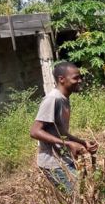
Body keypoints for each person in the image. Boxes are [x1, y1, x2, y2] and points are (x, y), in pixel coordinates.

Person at [30, 61, 98, 192]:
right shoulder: (53, 99)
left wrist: (82, 142)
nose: (80, 80)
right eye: (75, 78)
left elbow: (59, 132)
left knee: (77, 201)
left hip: (63, 160)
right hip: (53, 163)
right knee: (75, 201)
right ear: (61, 79)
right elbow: (35, 131)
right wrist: (68, 144)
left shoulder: (63, 99)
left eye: (80, 77)